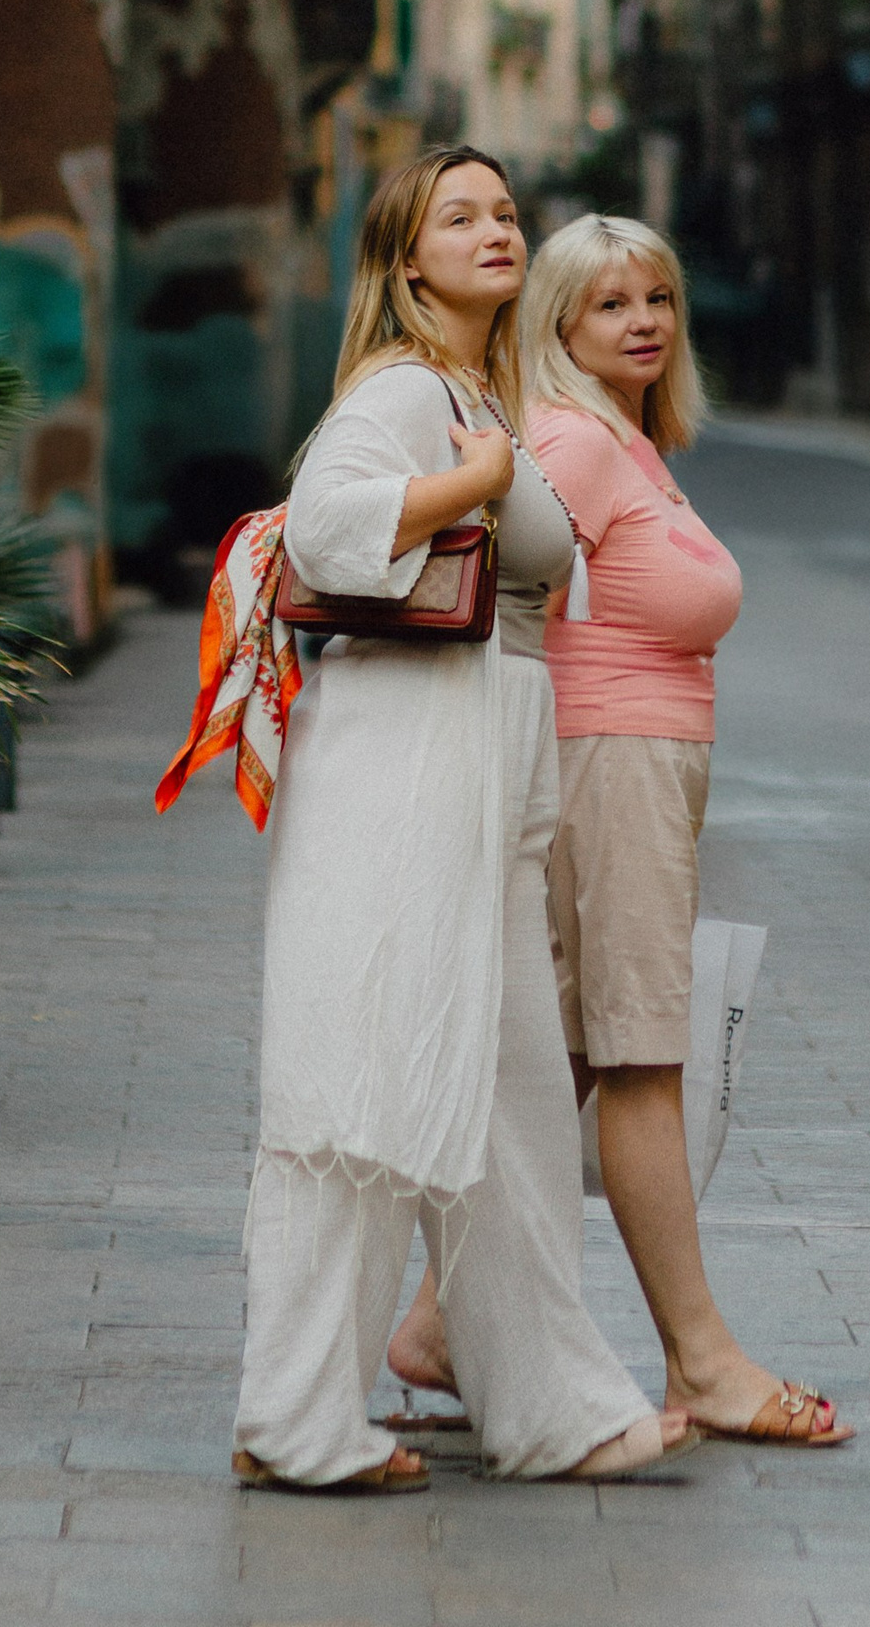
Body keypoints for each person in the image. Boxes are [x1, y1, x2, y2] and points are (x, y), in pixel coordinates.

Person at [230, 148, 680, 1493]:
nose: (496, 230)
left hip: (481, 770)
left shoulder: (483, 389)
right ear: (405, 258)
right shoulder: (402, 392)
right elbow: (324, 529)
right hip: (403, 766)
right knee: (368, 1084)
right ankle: (295, 1419)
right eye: (461, 217)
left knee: (513, 1101)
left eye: (504, 212)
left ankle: (554, 1407)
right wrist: (469, 483)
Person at [389, 212, 850, 1449]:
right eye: (608, 303)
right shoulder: (575, 445)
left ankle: (439, 1321)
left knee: (579, 1058)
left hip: (632, 771)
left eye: (656, 296)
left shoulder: (627, 441)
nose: (642, 319)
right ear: (557, 325)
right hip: (607, 773)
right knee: (641, 1056)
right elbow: (485, 599)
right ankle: (701, 1357)